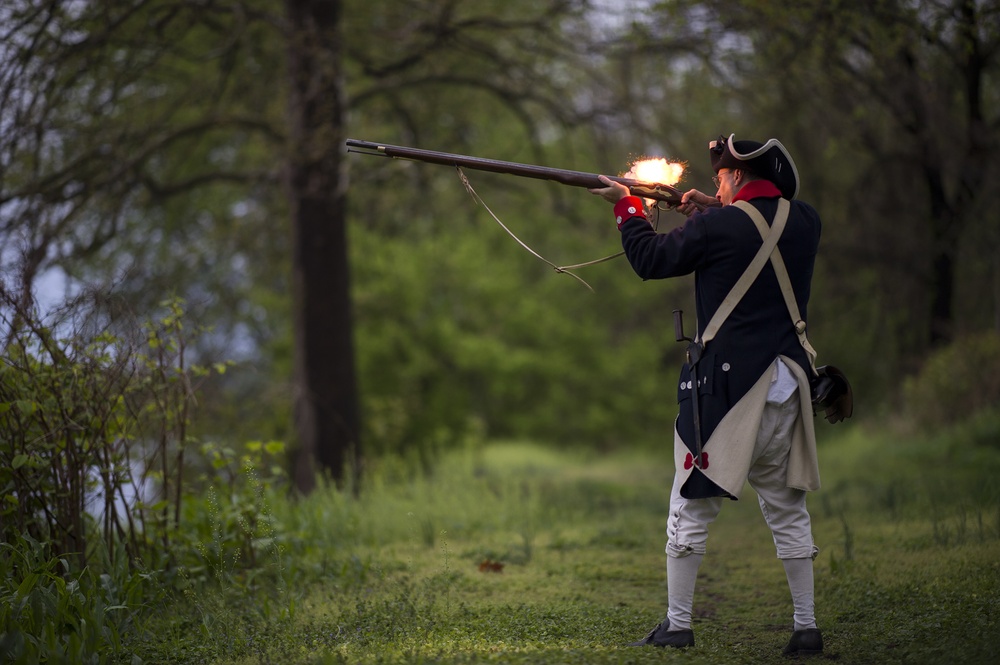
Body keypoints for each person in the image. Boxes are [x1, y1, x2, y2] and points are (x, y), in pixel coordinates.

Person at [589, 134, 824, 657]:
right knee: (788, 510)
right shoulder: (805, 221)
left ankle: (678, 625)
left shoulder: (717, 226)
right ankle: (806, 628)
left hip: (728, 388)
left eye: (721, 177)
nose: (714, 183)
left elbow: (649, 259)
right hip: (788, 384)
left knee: (689, 506)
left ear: (737, 176)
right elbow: (750, 230)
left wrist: (629, 205)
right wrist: (712, 208)